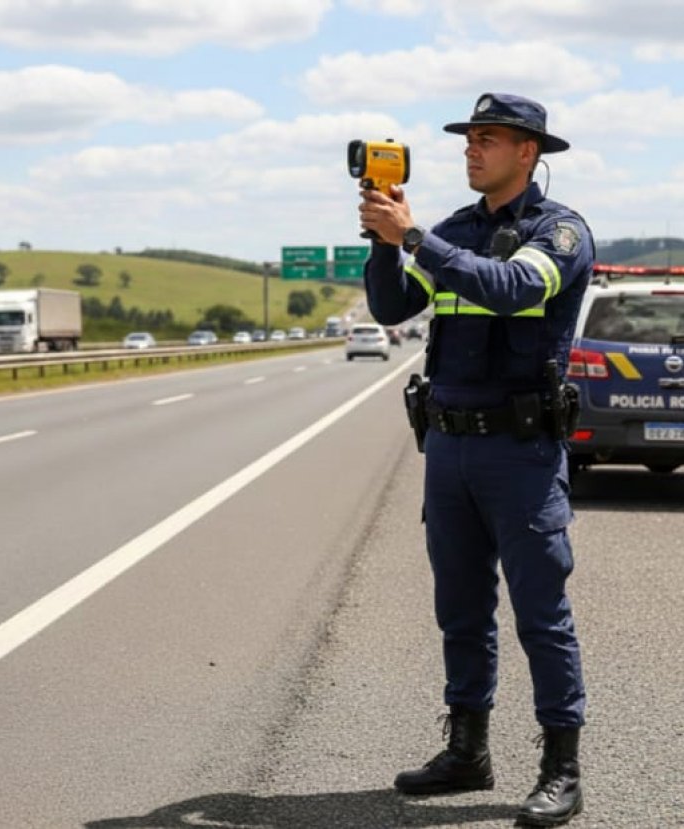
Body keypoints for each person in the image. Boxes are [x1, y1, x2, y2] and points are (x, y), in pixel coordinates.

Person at [358, 93, 593, 827]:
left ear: (528, 152)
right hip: (450, 446)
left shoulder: (558, 233)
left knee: (540, 614)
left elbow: (511, 286)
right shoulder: (456, 230)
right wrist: (383, 239)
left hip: (521, 452)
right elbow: (392, 311)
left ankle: (562, 768)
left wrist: (417, 236)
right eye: (468, 138)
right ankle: (468, 752)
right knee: (460, 608)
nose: (471, 149)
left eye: (487, 139)